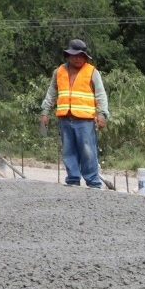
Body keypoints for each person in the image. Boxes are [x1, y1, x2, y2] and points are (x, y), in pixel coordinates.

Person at [40, 39, 110, 188]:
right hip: (65, 119)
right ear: (68, 56)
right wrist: (45, 112)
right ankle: (73, 181)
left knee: (88, 152)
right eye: (74, 55)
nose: (77, 59)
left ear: (85, 57)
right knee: (68, 151)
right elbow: (51, 94)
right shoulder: (59, 72)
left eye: (80, 56)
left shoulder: (92, 72)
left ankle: (93, 183)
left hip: (85, 120)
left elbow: (101, 95)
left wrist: (102, 114)